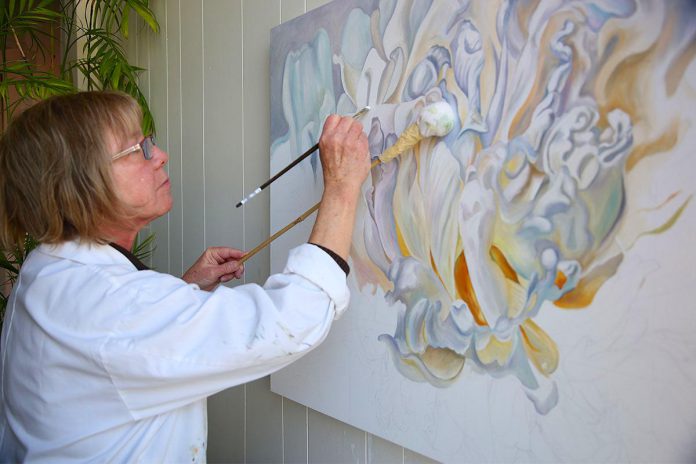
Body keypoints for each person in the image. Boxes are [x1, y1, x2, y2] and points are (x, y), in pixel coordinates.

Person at [0, 91, 369, 461]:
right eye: (137, 149)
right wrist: (341, 187)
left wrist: (184, 288)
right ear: (80, 186)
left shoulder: (47, 269)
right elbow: (294, 318)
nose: (160, 156)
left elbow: (121, 347)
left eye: (150, 142)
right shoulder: (114, 307)